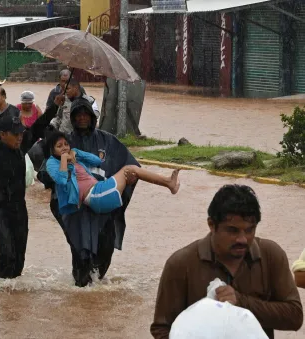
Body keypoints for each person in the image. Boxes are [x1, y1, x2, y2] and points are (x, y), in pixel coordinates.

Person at [151, 184, 303, 339]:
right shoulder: (181, 264)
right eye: (232, 230)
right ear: (211, 225)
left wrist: (241, 301)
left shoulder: (271, 255)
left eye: (249, 230)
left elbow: (295, 317)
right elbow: (162, 329)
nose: (242, 239)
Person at [0, 94, 65, 279]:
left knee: (19, 258)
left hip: (19, 209)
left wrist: (54, 107)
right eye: (16, 134)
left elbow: (39, 126)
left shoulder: (20, 147)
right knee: (7, 253)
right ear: (2, 135)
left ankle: (12, 297)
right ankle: (0, 288)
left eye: (21, 133)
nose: (20, 137)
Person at [39, 98, 141, 287]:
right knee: (80, 251)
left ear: (93, 117)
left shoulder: (107, 141)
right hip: (76, 211)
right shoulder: (64, 142)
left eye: (86, 114)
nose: (82, 118)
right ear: (73, 117)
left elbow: (130, 165)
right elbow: (45, 173)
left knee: (105, 247)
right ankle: (81, 288)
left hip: (102, 207)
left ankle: (96, 289)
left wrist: (131, 178)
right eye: (78, 114)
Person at [46, 131, 179, 215]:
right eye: (59, 146)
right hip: (95, 196)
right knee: (130, 168)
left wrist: (77, 152)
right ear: (52, 150)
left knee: (131, 170)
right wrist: (64, 160)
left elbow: (97, 160)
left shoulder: (73, 155)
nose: (64, 148)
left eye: (66, 144)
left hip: (99, 191)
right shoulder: (52, 163)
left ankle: (168, 183)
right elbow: (62, 180)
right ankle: (168, 183)